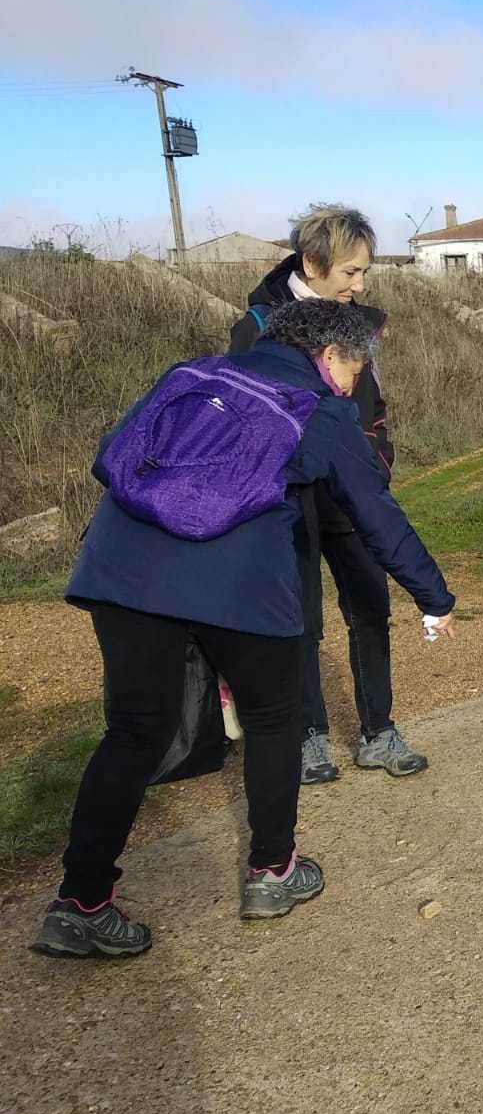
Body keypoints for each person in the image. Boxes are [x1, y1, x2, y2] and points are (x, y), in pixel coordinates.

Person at [32, 299, 457, 959]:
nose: (355, 383)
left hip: (122, 572)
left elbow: (112, 455)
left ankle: (80, 903)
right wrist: (434, 597)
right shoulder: (321, 407)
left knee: (134, 731)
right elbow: (377, 514)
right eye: (355, 369)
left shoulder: (192, 375)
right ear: (328, 357)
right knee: (271, 718)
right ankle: (272, 871)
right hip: (237, 584)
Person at [230, 204, 426, 784]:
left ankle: (379, 731)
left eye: (364, 273)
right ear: (313, 265)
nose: (360, 285)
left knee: (370, 607)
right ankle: (311, 737)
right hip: (285, 502)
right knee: (298, 621)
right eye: (350, 273)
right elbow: (242, 414)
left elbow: (375, 403)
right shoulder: (257, 326)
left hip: (350, 496)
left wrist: (378, 458)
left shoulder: (359, 322)